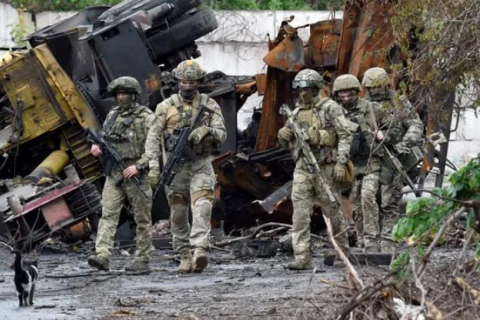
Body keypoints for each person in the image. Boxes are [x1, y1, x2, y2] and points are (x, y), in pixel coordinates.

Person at [145, 60, 226, 273]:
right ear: (177, 82)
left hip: (200, 164)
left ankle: (200, 248)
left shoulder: (210, 105)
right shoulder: (165, 107)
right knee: (178, 214)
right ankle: (183, 255)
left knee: (203, 207)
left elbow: (222, 134)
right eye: (184, 82)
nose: (188, 86)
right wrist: (153, 167)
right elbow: (153, 138)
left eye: (192, 82)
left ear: (198, 82)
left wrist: (207, 131)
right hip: (176, 168)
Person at [277, 69, 353, 270]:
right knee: (300, 214)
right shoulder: (295, 113)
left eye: (307, 90)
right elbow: (288, 142)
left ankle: (342, 252)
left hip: (325, 167)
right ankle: (302, 257)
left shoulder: (330, 108)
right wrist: (284, 135)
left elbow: (345, 135)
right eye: (300, 90)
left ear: (316, 89)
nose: (303, 94)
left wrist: (341, 162)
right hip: (303, 168)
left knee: (332, 211)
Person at [88, 76, 154, 272]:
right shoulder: (113, 114)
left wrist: (139, 166)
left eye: (124, 93)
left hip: (136, 174)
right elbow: (104, 136)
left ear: (133, 95)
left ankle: (142, 259)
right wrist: (97, 146)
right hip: (115, 172)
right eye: (117, 94)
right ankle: (102, 255)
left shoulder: (146, 117)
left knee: (142, 218)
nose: (120, 97)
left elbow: (155, 148)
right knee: (108, 214)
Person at [332, 74, 397, 252]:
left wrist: (384, 135)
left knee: (368, 196)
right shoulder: (335, 112)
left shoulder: (371, 108)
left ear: (357, 92)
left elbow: (394, 127)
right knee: (356, 202)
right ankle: (361, 238)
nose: (346, 98)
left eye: (349, 94)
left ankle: (371, 240)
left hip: (371, 162)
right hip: (351, 166)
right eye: (342, 95)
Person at [362, 67, 423, 251]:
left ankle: (389, 243)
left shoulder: (398, 101)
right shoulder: (363, 104)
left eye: (378, 87)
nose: (374, 91)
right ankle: (370, 242)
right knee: (369, 198)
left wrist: (406, 143)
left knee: (390, 201)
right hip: (371, 158)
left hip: (394, 155)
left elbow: (414, 123)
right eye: (371, 87)